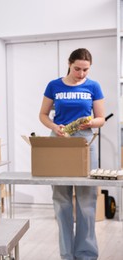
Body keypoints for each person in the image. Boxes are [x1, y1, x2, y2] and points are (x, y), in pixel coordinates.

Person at [39, 48, 105, 260]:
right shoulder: (54, 85)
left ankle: (86, 255)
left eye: (86, 70)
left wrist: (91, 122)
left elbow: (101, 118)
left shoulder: (93, 86)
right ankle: (67, 254)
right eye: (77, 69)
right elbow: (43, 114)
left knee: (87, 199)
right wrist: (54, 126)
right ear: (69, 64)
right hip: (58, 140)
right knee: (61, 199)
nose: (81, 73)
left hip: (85, 140)